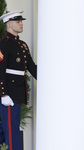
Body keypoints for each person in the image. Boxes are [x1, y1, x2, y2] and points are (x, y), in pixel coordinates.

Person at [0, 10, 37, 150]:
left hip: (19, 93)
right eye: (18, 22)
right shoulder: (4, 44)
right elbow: (0, 69)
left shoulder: (22, 45)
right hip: (8, 93)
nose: (21, 24)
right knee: (11, 131)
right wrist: (3, 93)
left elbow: (32, 68)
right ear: (9, 24)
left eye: (21, 21)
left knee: (13, 129)